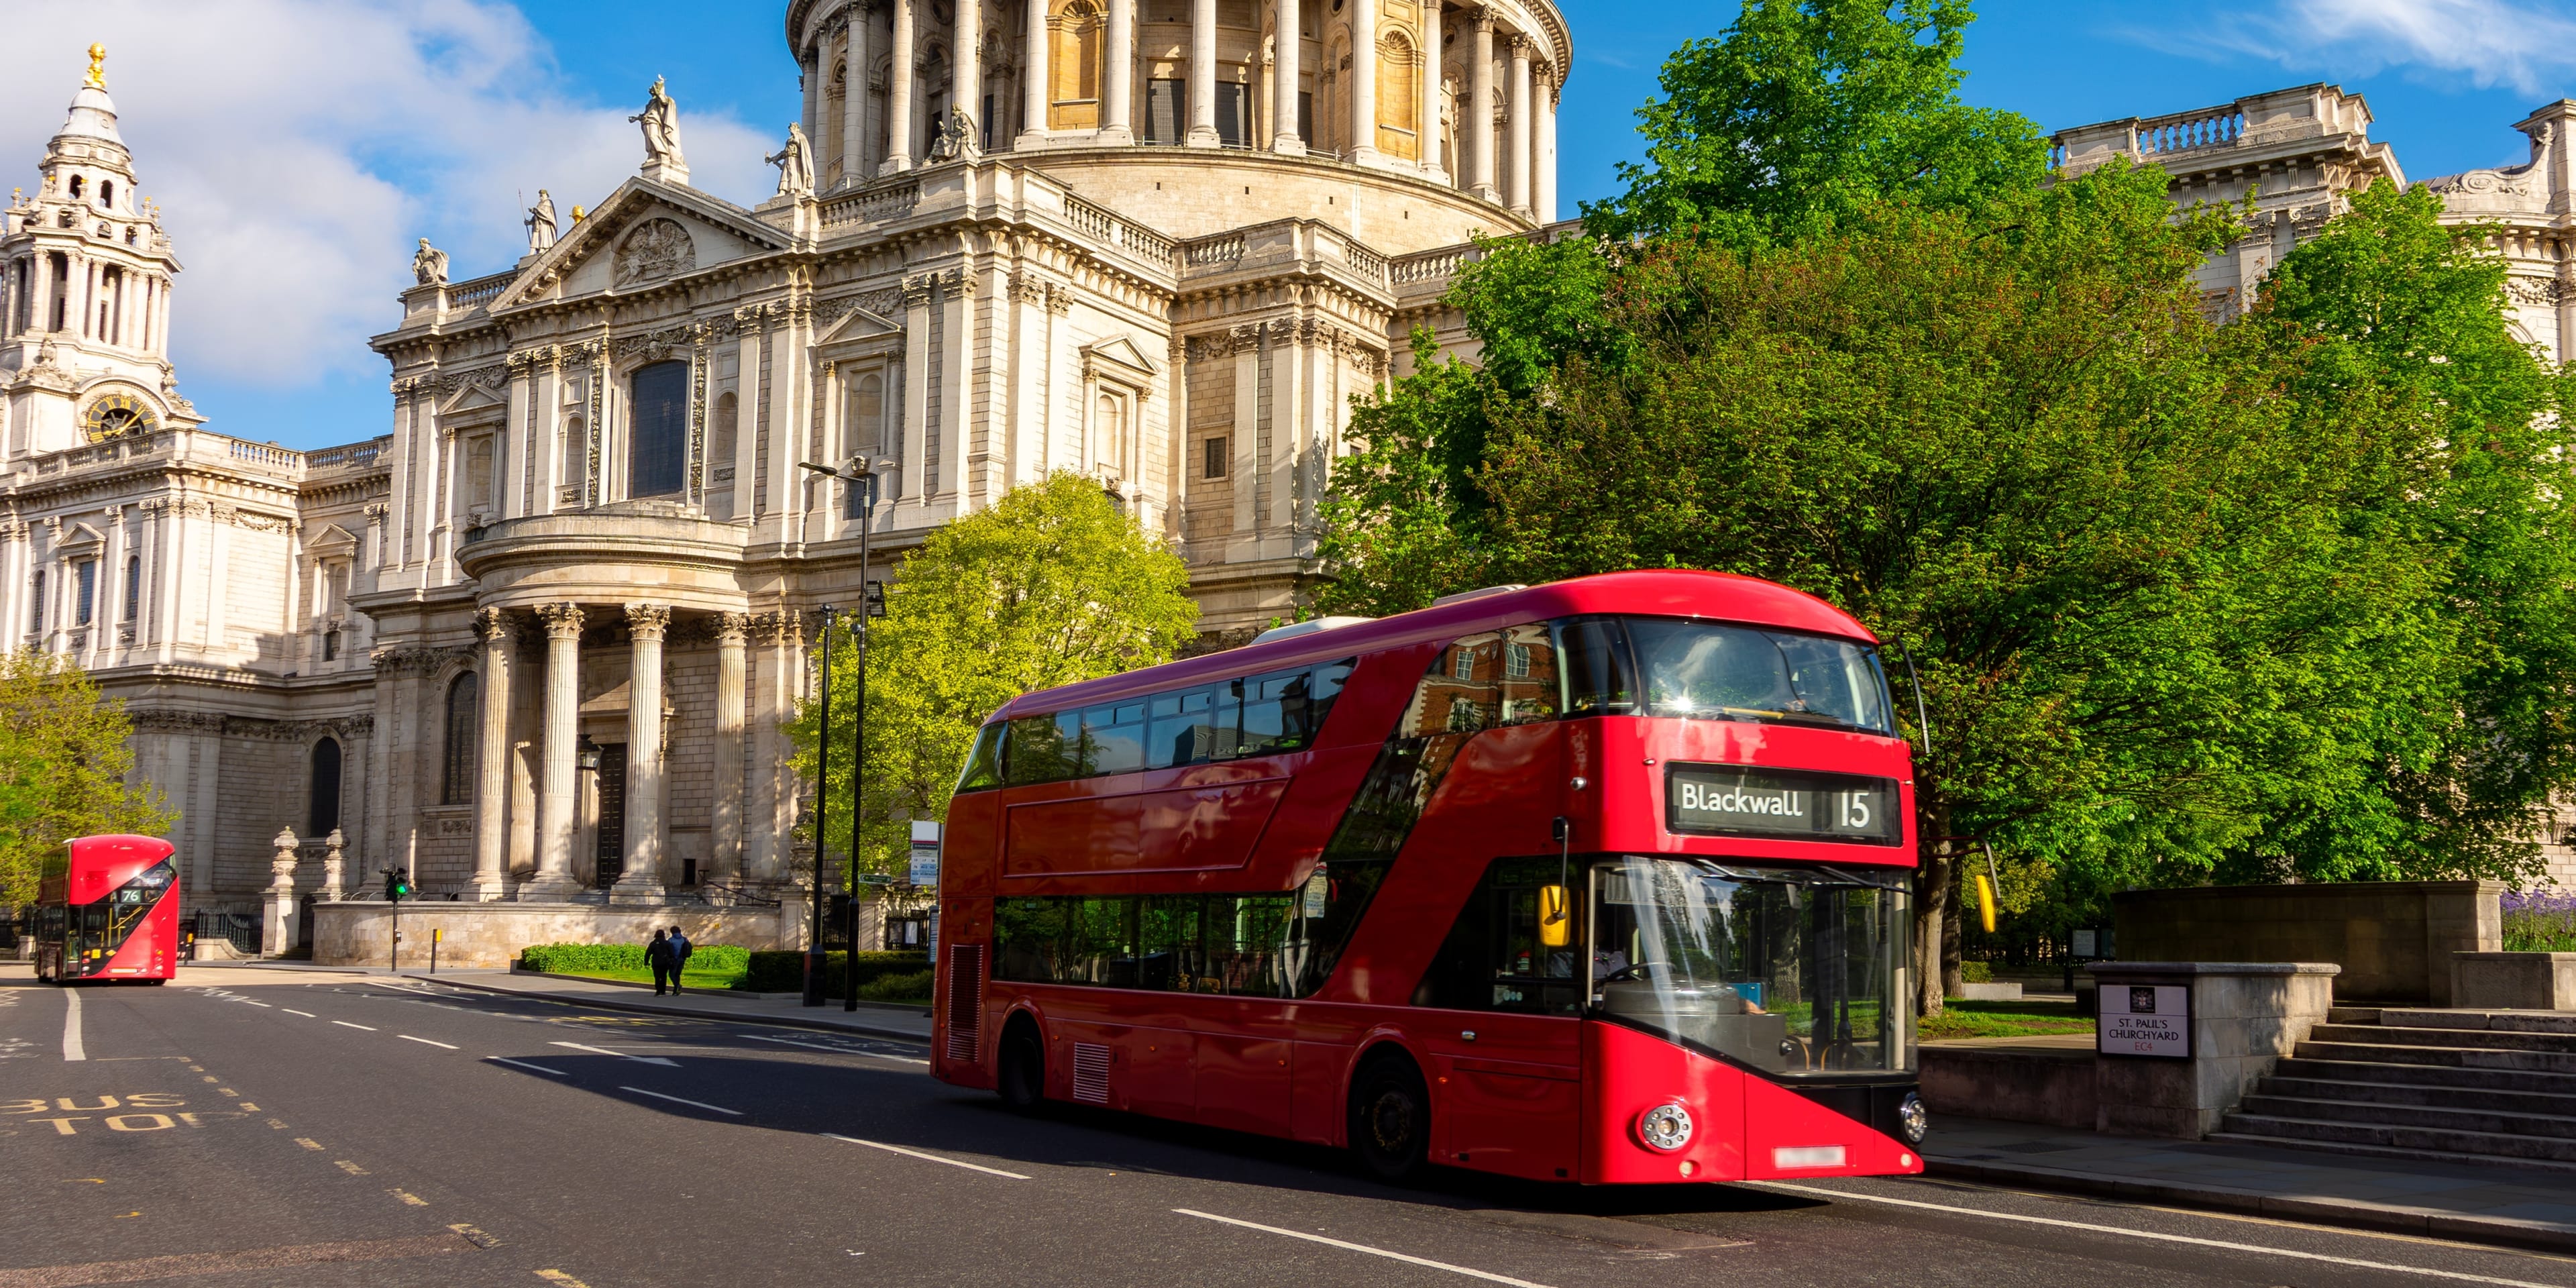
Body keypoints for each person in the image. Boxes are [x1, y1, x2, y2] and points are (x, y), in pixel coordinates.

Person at [645, 928, 676, 996]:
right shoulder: (667, 943)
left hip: (656, 962)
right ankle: (663, 990)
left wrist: (646, 962)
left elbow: (648, 953)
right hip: (665, 962)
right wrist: (672, 960)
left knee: (657, 977)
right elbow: (671, 953)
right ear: (663, 935)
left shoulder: (653, 944)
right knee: (664, 976)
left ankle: (658, 989)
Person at [667, 925, 693, 994]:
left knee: (672, 974)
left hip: (674, 959)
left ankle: (677, 986)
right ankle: (676, 990)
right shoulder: (684, 939)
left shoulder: (671, 940)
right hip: (683, 959)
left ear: (672, 932)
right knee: (678, 974)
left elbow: (668, 950)